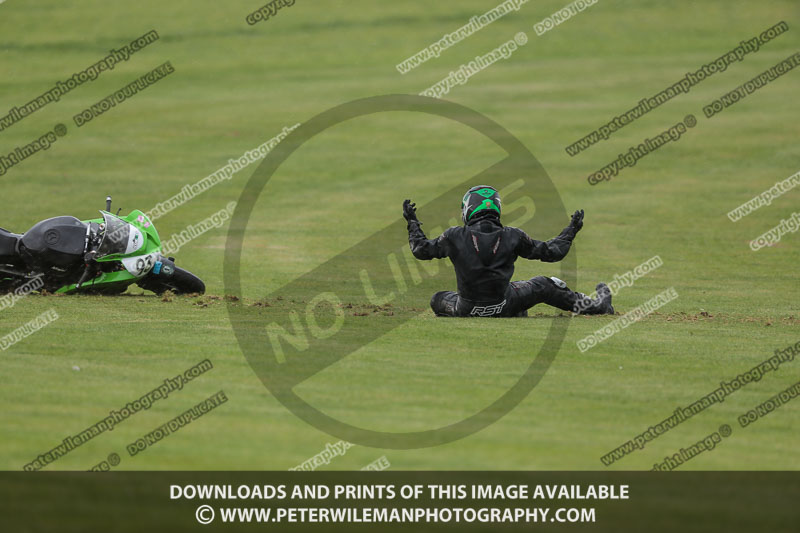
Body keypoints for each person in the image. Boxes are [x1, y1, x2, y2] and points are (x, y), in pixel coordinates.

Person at [403, 185, 614, 317]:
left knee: (437, 299)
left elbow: (421, 250)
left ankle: (506, 311)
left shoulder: (453, 235)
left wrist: (413, 223)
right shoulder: (513, 235)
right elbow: (552, 252)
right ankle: (597, 307)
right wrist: (571, 231)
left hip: (465, 308)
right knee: (544, 284)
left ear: (468, 209)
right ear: (496, 208)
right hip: (504, 304)